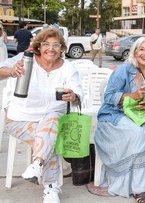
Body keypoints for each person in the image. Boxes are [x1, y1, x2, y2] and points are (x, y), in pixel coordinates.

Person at [0, 28, 83, 203]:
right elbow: (1, 70)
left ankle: (37, 166)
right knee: (49, 138)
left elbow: (79, 93)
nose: (51, 49)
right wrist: (12, 71)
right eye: (46, 44)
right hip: (20, 119)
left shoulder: (68, 68)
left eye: (56, 45)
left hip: (52, 119)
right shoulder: (26, 58)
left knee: (51, 121)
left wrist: (73, 96)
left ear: (62, 48)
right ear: (39, 45)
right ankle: (50, 188)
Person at [94, 37, 145, 202]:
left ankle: (139, 182)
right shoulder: (124, 70)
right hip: (114, 115)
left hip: (141, 115)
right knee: (136, 131)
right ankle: (137, 189)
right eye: (141, 49)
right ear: (135, 52)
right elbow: (109, 96)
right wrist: (133, 96)